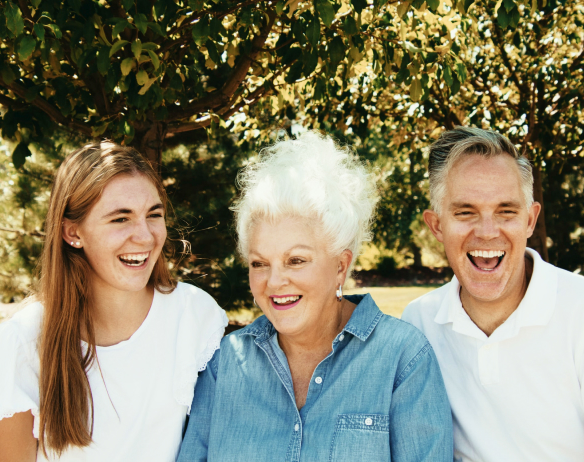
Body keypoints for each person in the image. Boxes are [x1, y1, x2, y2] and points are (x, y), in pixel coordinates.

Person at [177, 131, 453, 462]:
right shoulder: (225, 366)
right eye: (260, 263)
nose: (275, 281)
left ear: (340, 266)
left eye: (296, 260)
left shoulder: (403, 359)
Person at [0, 142, 228, 461]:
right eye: (120, 219)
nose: (145, 236)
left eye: (154, 214)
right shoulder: (22, 344)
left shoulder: (195, 315)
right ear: (73, 233)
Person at [402, 127, 584, 462]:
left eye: (506, 211)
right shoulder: (419, 323)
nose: (488, 232)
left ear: (530, 220)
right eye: (465, 212)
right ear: (436, 225)